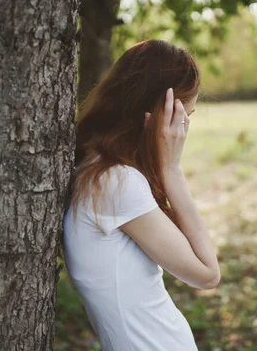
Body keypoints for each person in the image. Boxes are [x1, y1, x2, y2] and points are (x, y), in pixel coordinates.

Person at [62, 39, 220, 351]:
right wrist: (171, 169)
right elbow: (207, 274)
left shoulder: (92, 167)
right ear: (158, 114)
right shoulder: (116, 183)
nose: (184, 129)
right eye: (181, 116)